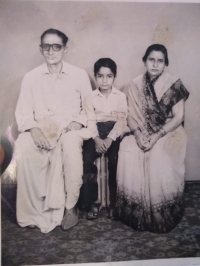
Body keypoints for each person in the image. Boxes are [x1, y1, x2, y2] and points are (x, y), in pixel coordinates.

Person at [15, 28, 92, 233]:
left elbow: (89, 109)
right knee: (23, 144)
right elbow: (23, 112)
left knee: (69, 144)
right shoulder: (31, 77)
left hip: (69, 128)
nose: (51, 51)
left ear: (65, 49)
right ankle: (34, 209)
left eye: (56, 46)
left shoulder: (79, 75)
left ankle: (70, 207)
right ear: (40, 49)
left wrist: (79, 121)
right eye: (46, 46)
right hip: (42, 129)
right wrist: (34, 130)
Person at [115, 44, 189, 233]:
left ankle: (160, 214)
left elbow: (178, 117)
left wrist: (156, 136)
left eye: (160, 61)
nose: (155, 64)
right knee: (128, 148)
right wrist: (139, 134)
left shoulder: (174, 84)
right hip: (141, 130)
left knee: (157, 156)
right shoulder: (134, 84)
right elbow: (130, 115)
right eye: (151, 60)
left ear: (165, 64)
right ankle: (134, 213)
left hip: (168, 131)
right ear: (145, 61)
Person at [80, 58, 127, 219]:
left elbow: (121, 120)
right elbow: (90, 120)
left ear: (114, 77)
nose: (104, 80)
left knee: (114, 161)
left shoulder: (120, 96)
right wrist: (97, 139)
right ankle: (93, 201)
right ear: (95, 76)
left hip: (113, 133)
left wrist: (109, 139)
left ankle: (113, 203)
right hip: (96, 132)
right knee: (87, 160)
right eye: (100, 76)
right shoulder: (90, 97)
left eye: (109, 76)